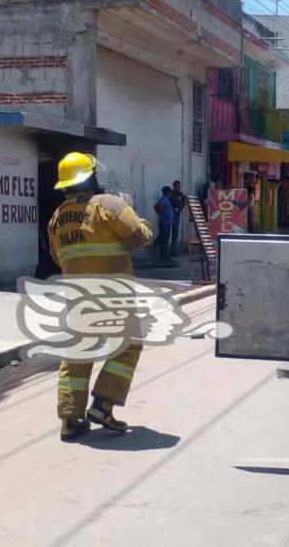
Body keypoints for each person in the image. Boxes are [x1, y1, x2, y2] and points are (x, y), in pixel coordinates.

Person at [47, 152, 153, 441]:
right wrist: (140, 221)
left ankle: (71, 419)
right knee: (128, 347)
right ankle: (103, 404)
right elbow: (138, 237)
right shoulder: (110, 205)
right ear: (92, 176)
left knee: (78, 355)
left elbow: (58, 258)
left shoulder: (57, 219)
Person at [154, 186, 174, 261]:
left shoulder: (165, 199)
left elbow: (157, 206)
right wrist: (162, 214)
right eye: (170, 191)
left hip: (166, 223)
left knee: (164, 239)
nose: (171, 193)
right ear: (168, 192)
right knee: (165, 240)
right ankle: (164, 256)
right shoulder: (164, 199)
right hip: (165, 223)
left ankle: (163, 255)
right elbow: (156, 207)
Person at [169, 180, 186, 257]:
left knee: (175, 233)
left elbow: (184, 202)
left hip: (176, 216)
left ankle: (173, 250)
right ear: (174, 186)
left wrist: (181, 209)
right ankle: (158, 243)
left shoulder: (180, 194)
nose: (179, 188)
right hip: (169, 216)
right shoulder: (170, 193)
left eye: (180, 186)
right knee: (166, 232)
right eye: (178, 186)